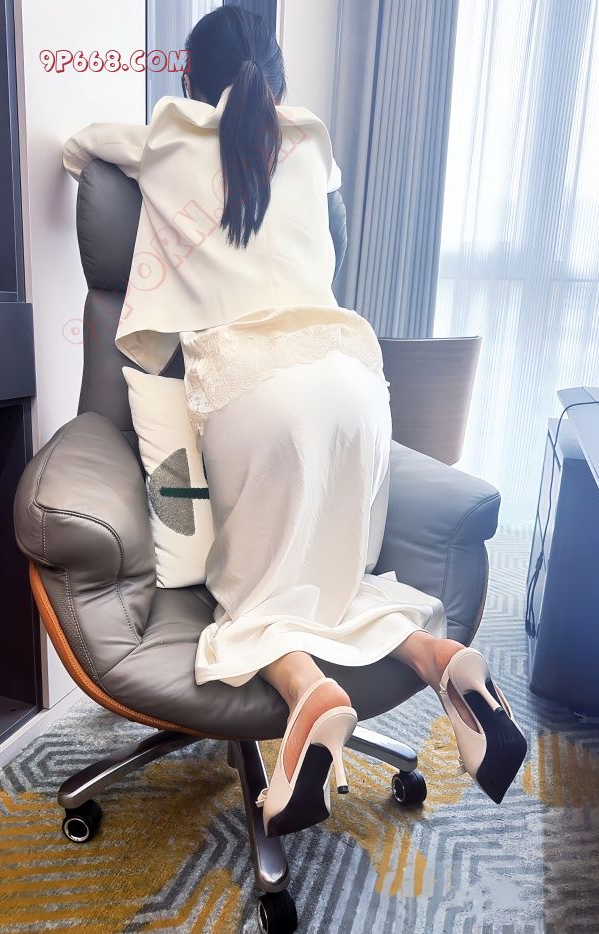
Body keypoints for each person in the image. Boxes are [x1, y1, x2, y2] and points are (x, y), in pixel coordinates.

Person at [62, 5, 526, 837]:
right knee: (332, 584)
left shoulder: (169, 133)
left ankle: (310, 696)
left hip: (255, 389)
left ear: (189, 78)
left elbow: (78, 148)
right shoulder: (313, 143)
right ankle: (446, 662)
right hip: (355, 386)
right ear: (278, 80)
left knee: (242, 595)